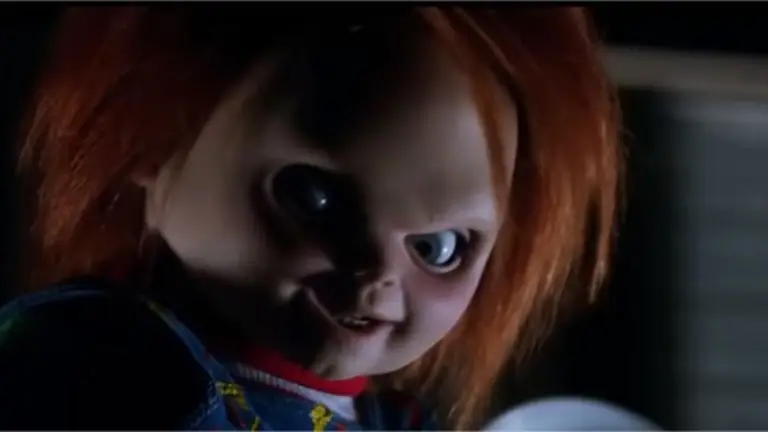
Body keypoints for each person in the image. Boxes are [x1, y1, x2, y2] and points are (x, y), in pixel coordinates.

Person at [0, 5, 620, 430]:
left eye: (439, 247)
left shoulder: (394, 419)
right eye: (313, 199)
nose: (376, 271)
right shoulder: (96, 361)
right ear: (151, 134)